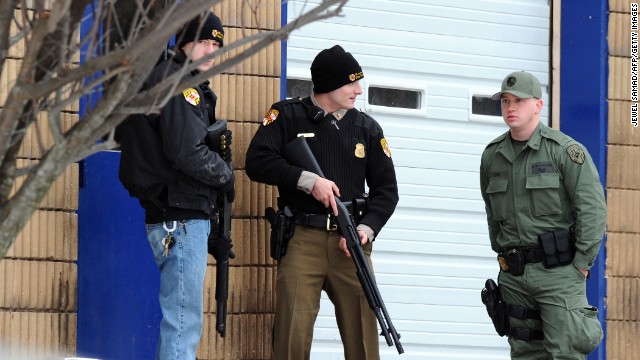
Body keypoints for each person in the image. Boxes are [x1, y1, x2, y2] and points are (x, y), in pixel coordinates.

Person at [245, 45, 399, 359]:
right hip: (303, 240)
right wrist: (309, 181)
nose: (359, 90)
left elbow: (387, 191)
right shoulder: (287, 115)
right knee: (292, 337)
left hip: (351, 242)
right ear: (328, 84)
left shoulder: (367, 128)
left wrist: (366, 229)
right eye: (351, 83)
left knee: (364, 341)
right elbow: (257, 162)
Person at [116, 11, 233, 360]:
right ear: (183, 43)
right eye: (204, 42)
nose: (211, 50)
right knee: (183, 322)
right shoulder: (180, 84)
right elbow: (188, 152)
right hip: (178, 216)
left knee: (182, 319)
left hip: (179, 213)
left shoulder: (178, 81)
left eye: (217, 44)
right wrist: (226, 174)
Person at [479, 71, 606, 359]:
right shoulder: (492, 156)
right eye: (505, 101)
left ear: (538, 105)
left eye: (519, 101)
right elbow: (491, 214)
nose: (511, 107)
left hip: (559, 275)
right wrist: (503, 256)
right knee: (524, 353)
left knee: (565, 352)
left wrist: (582, 264)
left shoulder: (565, 152)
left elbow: (593, 209)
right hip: (515, 275)